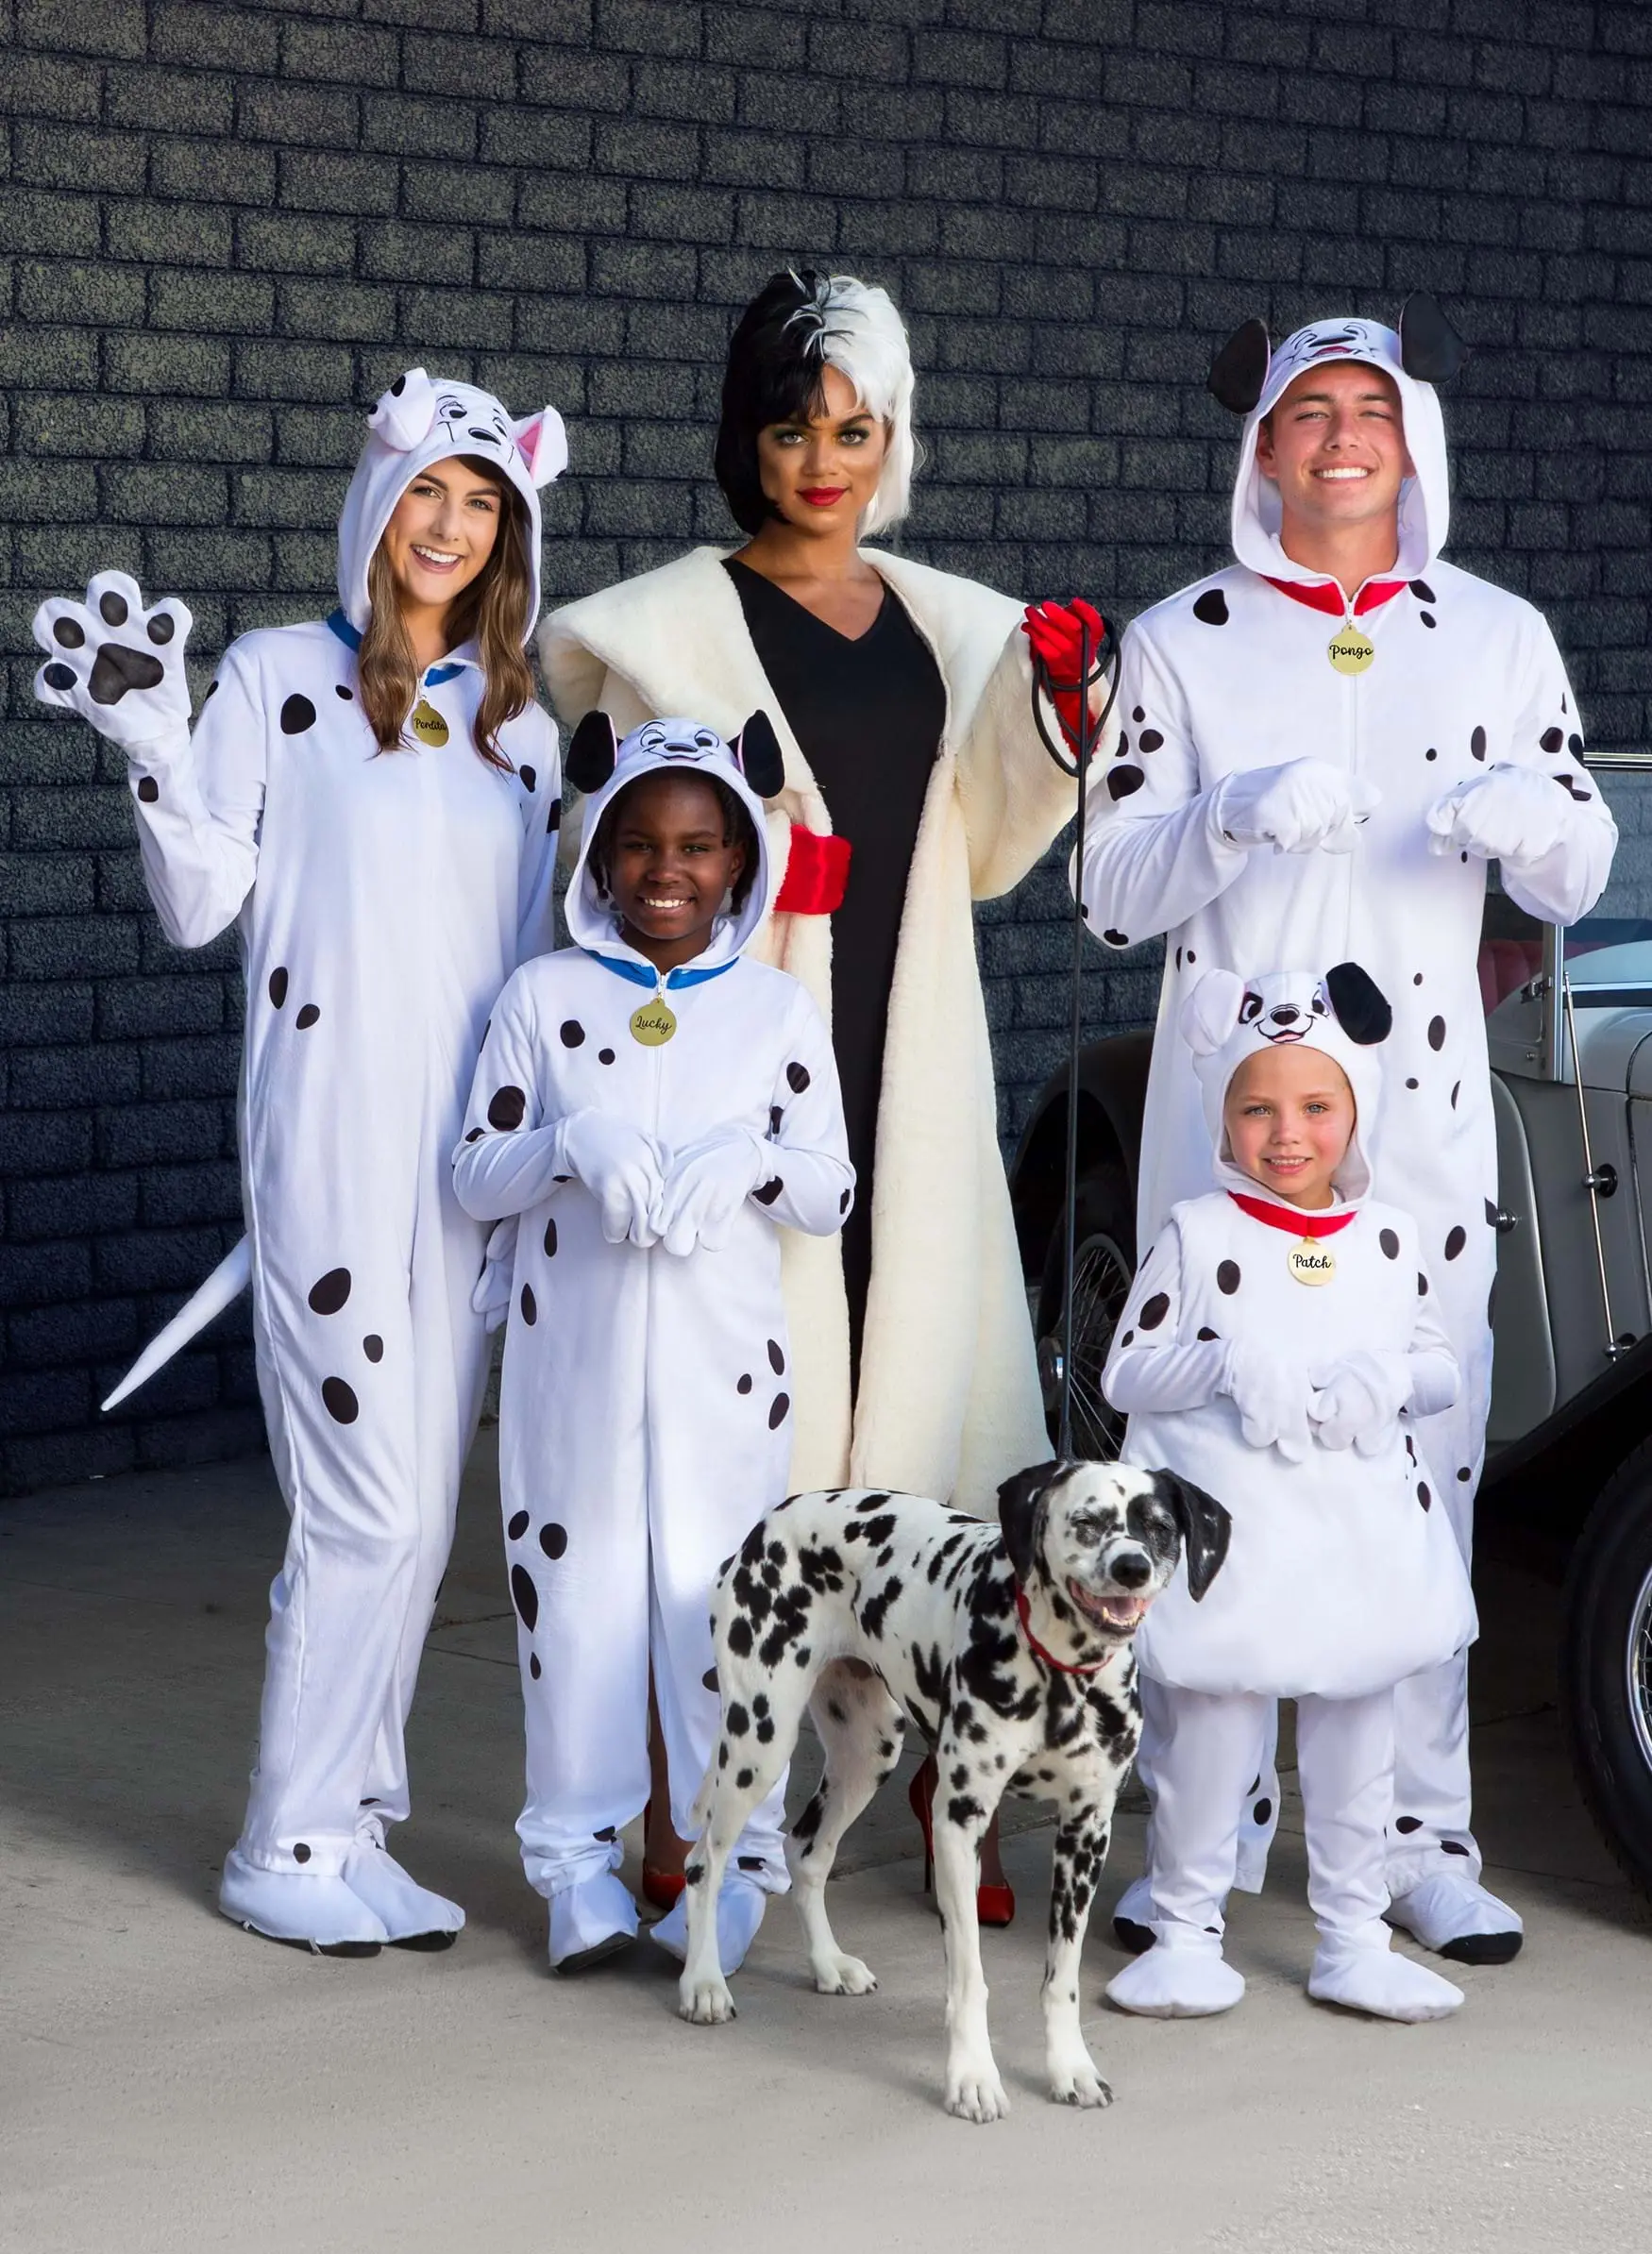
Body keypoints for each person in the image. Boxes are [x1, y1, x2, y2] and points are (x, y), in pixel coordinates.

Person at [1070, 298, 1617, 1963]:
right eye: (1308, 412)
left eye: (1366, 409)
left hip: (1421, 1131)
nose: (1339, 438)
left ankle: (1420, 1843)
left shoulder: (1500, 637)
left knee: (1415, 1464)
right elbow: (1108, 890)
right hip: (1224, 1127)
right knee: (1204, 1451)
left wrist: (1534, 830)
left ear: (1411, 438)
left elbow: (1579, 866)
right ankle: (1205, 1840)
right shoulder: (1182, 639)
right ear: (1263, 448)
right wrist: (1227, 817)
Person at [540, 268, 1087, 1920]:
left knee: (920, 1381)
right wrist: (770, 879)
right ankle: (691, 1795)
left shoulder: (949, 627)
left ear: (893, 437)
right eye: (792, 430)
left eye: (855, 430)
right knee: (728, 1440)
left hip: (903, 1051)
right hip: (736, 1049)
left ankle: (934, 1769)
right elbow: (605, 858)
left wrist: (1060, 716)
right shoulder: (664, 632)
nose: (823, 463)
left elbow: (988, 841)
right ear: (747, 441)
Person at [32, 370, 568, 1955]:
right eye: (429, 495)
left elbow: (531, 963)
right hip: (329, 1154)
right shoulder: (275, 678)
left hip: (464, 1177)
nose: (450, 528)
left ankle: (353, 1824)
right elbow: (202, 902)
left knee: (420, 1521)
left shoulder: (520, 733)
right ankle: (281, 1840)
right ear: (377, 502)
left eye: (483, 505)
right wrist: (151, 737)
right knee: (367, 1511)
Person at [452, 714, 853, 1976]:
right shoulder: (543, 997)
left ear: (737, 860)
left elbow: (830, 1189)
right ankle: (574, 1871)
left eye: (693, 845)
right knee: (572, 1616)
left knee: (721, 1614)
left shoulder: (774, 1011)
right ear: (599, 855)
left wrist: (752, 1160)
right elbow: (475, 1172)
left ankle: (733, 1869)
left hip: (726, 1382)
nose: (663, 870)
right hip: (568, 1374)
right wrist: (567, 1145)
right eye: (635, 844)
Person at [1103, 963, 1475, 2023]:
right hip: (1237, 1549)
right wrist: (1222, 1364)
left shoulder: (1389, 1239)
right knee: (1211, 1742)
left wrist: (1387, 1380)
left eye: (1316, 1106)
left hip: (1356, 1543)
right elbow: (1127, 1371)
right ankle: (1185, 1929)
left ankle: (1353, 1938)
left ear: (1355, 1111)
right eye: (1257, 1108)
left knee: (1358, 1744)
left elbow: (1438, 1366)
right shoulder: (1199, 1232)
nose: (1287, 1134)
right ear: (1223, 1116)